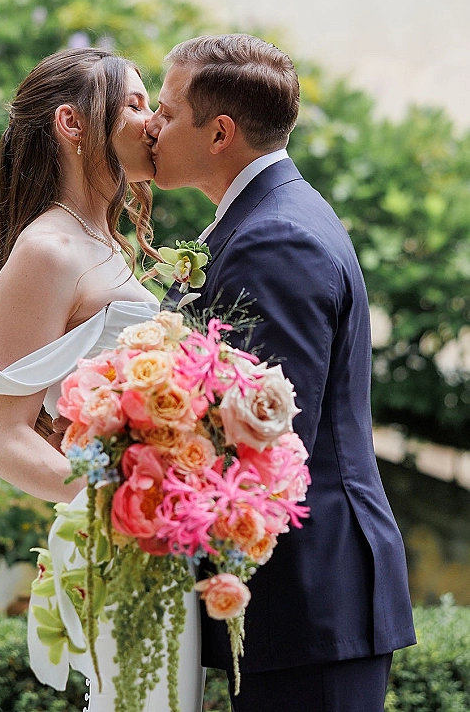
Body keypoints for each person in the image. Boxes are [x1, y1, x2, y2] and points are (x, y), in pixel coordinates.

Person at [147, 34, 416, 712]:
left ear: (220, 133)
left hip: (307, 601)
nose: (152, 126)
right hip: (299, 604)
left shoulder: (275, 236)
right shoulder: (264, 217)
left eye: (166, 111)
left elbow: (260, 438)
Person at [0, 47, 205, 712]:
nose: (151, 121)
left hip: (160, 537)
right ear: (73, 125)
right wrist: (120, 505)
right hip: (120, 542)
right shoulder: (47, 251)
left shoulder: (106, 239)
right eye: (134, 105)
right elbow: (8, 440)